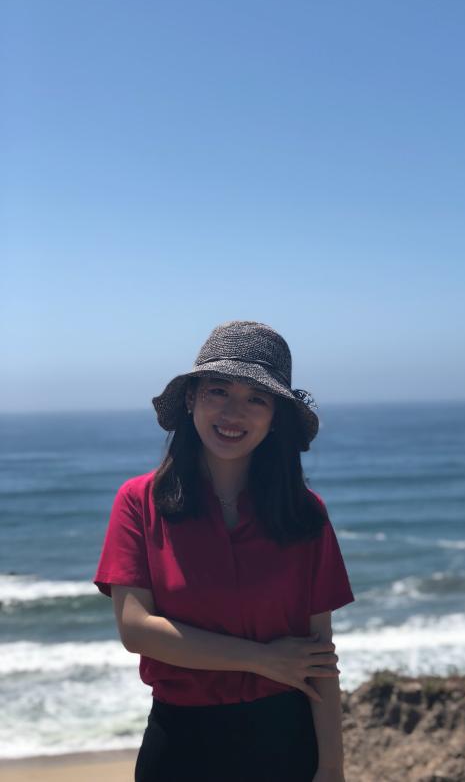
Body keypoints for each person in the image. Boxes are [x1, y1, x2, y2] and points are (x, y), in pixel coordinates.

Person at [93, 320, 355, 782]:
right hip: (180, 748)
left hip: (287, 743)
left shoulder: (303, 513)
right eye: (219, 391)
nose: (234, 413)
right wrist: (262, 658)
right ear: (191, 399)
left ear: (275, 417)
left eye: (257, 399)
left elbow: (319, 657)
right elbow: (137, 630)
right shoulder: (139, 501)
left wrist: (332, 768)